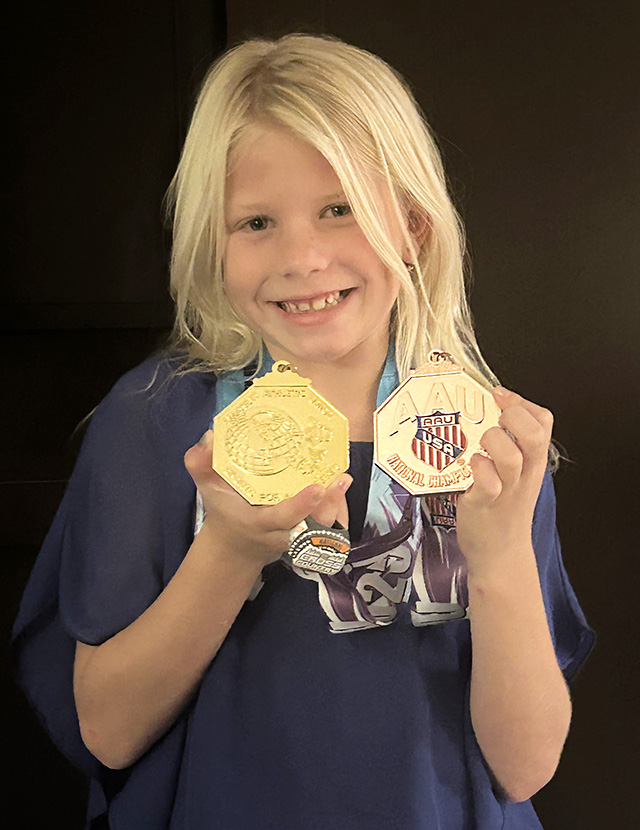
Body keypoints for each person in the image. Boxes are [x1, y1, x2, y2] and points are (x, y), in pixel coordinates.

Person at [12, 32, 594, 830]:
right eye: (255, 222)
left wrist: (495, 554)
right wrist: (229, 548)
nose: (304, 257)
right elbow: (107, 735)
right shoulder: (156, 423)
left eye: (340, 208)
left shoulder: (484, 443)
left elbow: (525, 765)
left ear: (415, 223)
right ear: (210, 246)